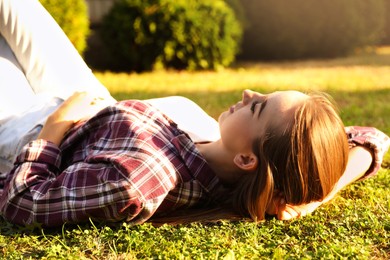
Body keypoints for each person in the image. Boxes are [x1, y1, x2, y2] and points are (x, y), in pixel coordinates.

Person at [0, 0, 389, 227]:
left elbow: (23, 202)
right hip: (86, 99)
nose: (248, 91)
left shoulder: (141, 179)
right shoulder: (224, 144)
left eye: (257, 105)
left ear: (247, 158)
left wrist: (52, 130)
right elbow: (370, 138)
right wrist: (312, 198)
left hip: (23, 125)